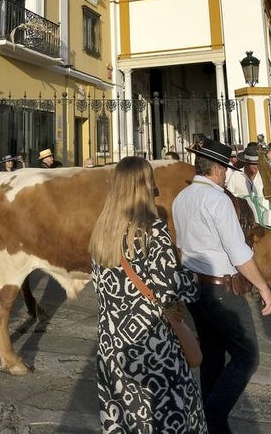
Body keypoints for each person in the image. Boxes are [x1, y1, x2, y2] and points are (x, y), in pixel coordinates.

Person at [89, 156, 206, 433]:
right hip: (150, 342)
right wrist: (193, 277)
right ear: (146, 185)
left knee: (123, 417)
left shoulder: (101, 231)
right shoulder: (152, 229)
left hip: (111, 341)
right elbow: (170, 288)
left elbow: (100, 287)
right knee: (169, 416)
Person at [173, 136, 271, 434]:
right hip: (221, 288)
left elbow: (181, 246)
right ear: (217, 169)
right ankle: (213, 416)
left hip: (195, 286)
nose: (227, 173)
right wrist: (264, 288)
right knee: (247, 355)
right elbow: (239, 253)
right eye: (226, 168)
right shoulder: (217, 199)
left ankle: (207, 418)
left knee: (213, 351)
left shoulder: (182, 197)